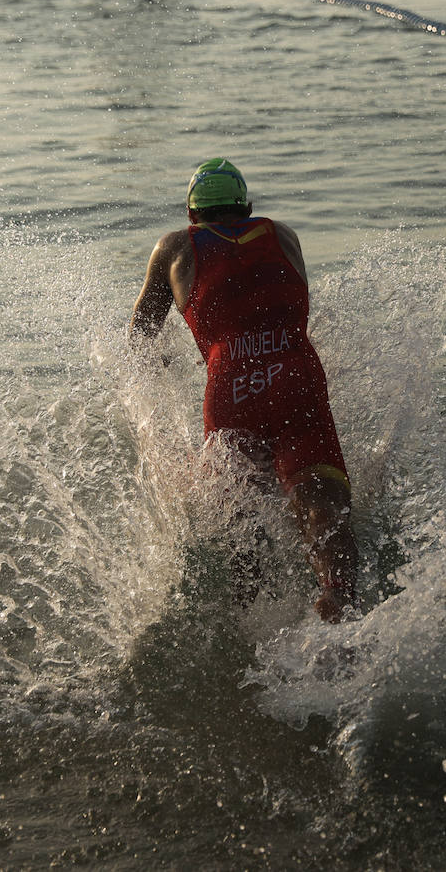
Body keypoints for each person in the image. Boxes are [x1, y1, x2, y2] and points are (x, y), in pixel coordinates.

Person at [130, 159, 360, 623]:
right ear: (248, 207)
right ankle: (339, 605)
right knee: (322, 506)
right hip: (297, 381)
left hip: (232, 393)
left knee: (243, 524)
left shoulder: (175, 248)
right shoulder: (285, 237)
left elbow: (139, 338)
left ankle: (253, 627)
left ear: (192, 216)